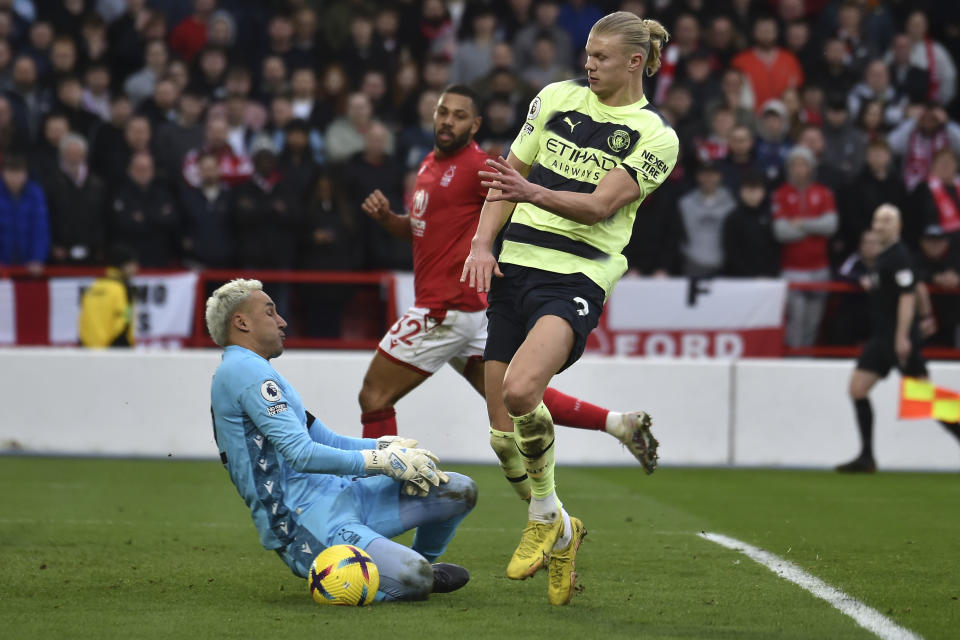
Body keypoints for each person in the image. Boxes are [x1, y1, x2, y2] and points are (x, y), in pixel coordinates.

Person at [460, 13, 677, 605]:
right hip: (515, 269)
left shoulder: (654, 135)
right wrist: (482, 244)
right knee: (502, 438)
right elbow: (511, 176)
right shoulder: (555, 98)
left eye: (602, 57)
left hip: (576, 276)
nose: (589, 64)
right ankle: (560, 527)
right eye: (587, 53)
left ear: (634, 62)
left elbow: (601, 207)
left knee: (523, 391)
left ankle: (540, 519)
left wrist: (532, 193)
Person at [360, 84, 658, 473]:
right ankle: (619, 423)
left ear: (476, 124)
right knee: (513, 395)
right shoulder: (428, 164)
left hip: (447, 306)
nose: (448, 121)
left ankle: (378, 492)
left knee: (374, 396)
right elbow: (422, 228)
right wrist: (388, 220)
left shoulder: (476, 166)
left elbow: (517, 189)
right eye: (443, 112)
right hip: (465, 310)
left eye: (459, 115)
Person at [206, 278, 474, 601]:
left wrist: (386, 447)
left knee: (459, 490)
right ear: (242, 322)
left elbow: (327, 439)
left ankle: (423, 567)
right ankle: (412, 575)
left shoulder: (260, 373)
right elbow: (301, 454)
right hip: (304, 521)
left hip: (345, 495)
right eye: (270, 312)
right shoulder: (241, 371)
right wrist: (381, 462)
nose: (282, 321)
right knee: (412, 577)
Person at [837, 205, 960, 472]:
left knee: (926, 399)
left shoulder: (898, 257)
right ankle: (866, 456)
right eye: (877, 220)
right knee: (857, 389)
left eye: (887, 221)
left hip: (897, 339)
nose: (881, 225)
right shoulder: (886, 258)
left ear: (898, 226)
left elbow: (906, 297)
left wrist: (903, 336)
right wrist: (927, 315)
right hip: (882, 339)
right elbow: (916, 286)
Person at [78, 245, 138, 348]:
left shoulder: (94, 286)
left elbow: (83, 319)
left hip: (88, 348)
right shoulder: (124, 289)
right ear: (124, 265)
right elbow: (126, 318)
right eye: (133, 264)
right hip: (114, 349)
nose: (136, 268)